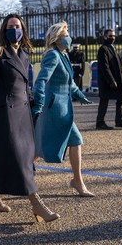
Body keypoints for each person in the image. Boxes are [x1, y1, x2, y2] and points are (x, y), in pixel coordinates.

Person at [0, 13, 59, 223]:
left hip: (23, 112)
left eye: (18, 26)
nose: (15, 29)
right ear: (4, 30)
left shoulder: (23, 53)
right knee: (19, 158)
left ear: (23, 30)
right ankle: (36, 204)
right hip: (5, 112)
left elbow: (24, 85)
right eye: (10, 26)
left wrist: (35, 105)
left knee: (9, 155)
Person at [31, 22, 95, 198]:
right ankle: (77, 182)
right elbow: (41, 80)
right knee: (47, 145)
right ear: (56, 38)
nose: (68, 37)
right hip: (53, 109)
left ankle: (77, 181)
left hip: (62, 108)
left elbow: (70, 83)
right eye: (65, 35)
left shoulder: (63, 55)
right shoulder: (52, 55)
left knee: (46, 145)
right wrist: (40, 101)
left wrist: (80, 96)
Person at [96, 29, 122, 130]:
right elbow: (105, 67)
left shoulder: (112, 48)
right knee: (104, 100)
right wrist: (111, 80)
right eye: (110, 36)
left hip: (118, 79)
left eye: (113, 36)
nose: (112, 38)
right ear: (104, 37)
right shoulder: (103, 49)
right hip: (108, 81)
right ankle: (100, 122)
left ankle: (119, 121)